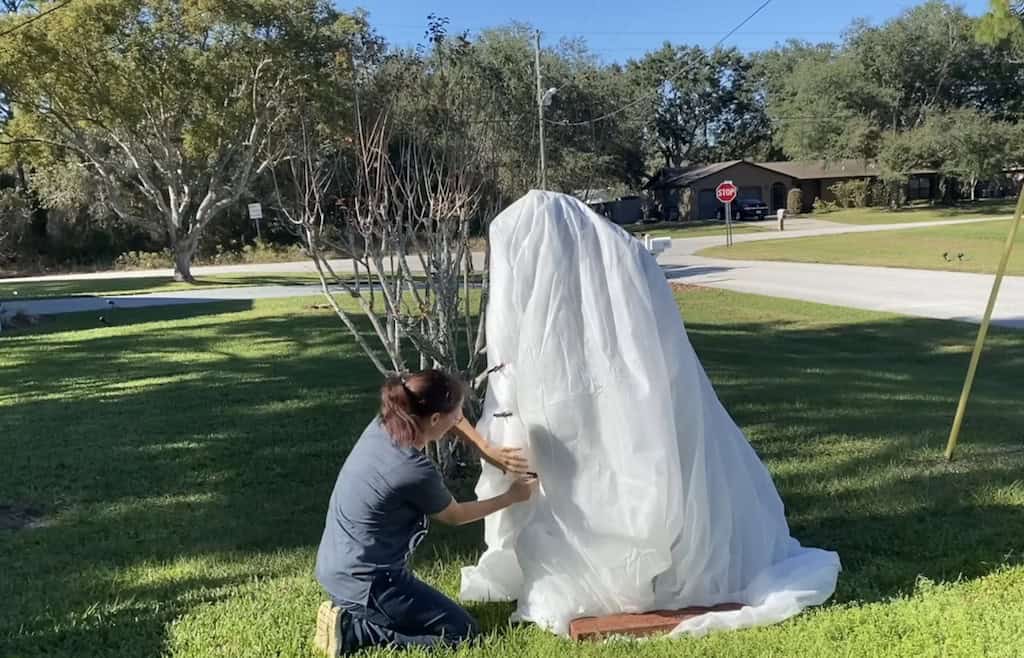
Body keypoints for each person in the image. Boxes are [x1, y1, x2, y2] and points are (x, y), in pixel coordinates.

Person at [314, 369, 537, 656]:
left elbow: (450, 417)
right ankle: (354, 630)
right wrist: (511, 497)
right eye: (455, 415)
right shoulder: (412, 470)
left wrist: (484, 447)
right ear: (434, 419)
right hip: (370, 582)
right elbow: (455, 515)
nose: (459, 420)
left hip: (339, 566)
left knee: (439, 620)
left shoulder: (386, 422)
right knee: (463, 635)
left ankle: (358, 614)